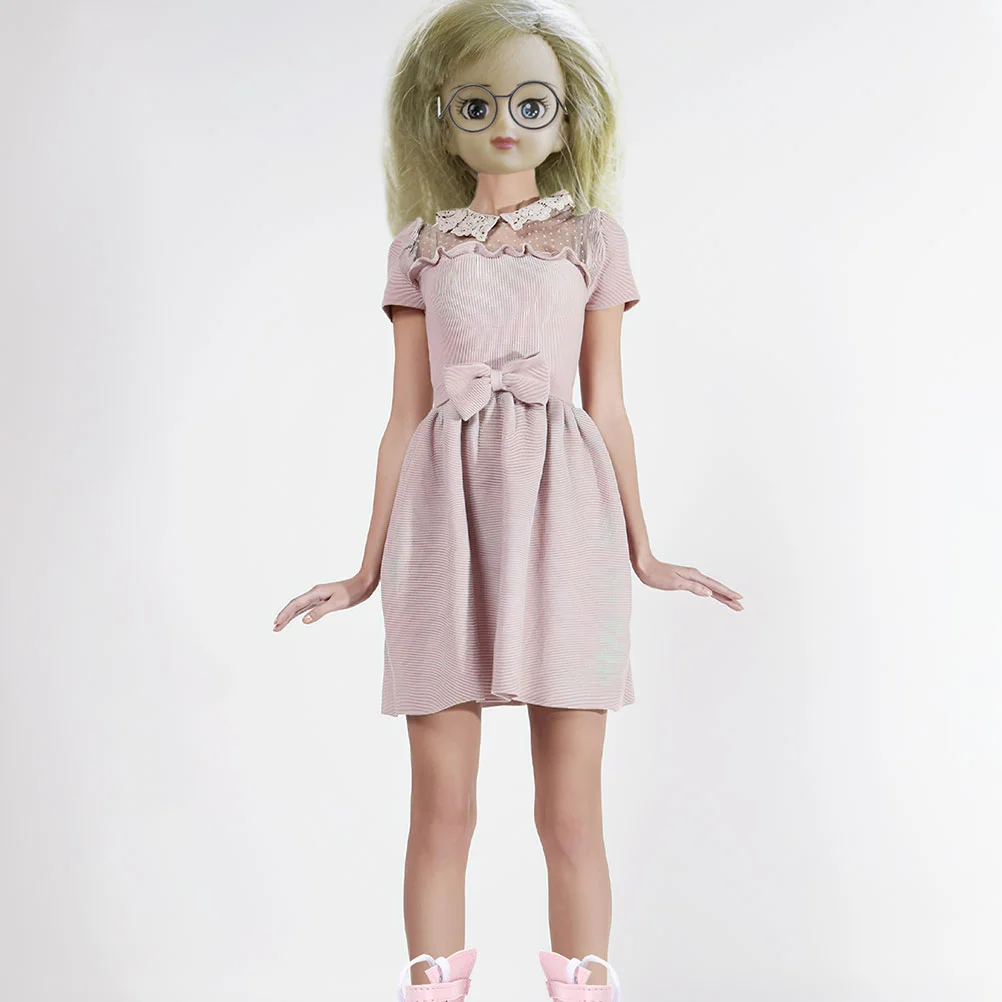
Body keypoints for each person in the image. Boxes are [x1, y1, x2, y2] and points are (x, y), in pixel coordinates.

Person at [273, 1, 743, 998]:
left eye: (533, 104)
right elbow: (403, 417)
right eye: (477, 103)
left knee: (569, 814)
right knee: (442, 810)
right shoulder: (419, 247)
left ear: (567, 123)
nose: (505, 122)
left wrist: (644, 551)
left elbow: (608, 407)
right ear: (441, 121)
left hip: (566, 513)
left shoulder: (592, 239)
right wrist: (364, 570)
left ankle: (585, 989)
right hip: (442, 520)